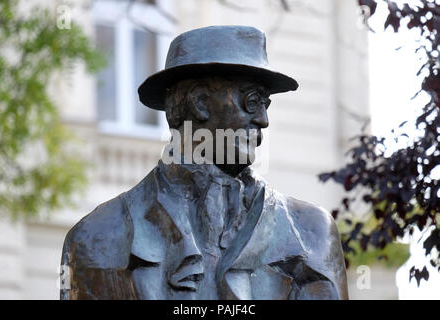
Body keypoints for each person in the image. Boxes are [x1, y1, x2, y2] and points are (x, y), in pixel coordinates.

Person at [60, 25, 348, 300]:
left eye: (265, 104)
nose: (263, 120)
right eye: (251, 101)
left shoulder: (311, 234)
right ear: (200, 103)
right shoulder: (98, 236)